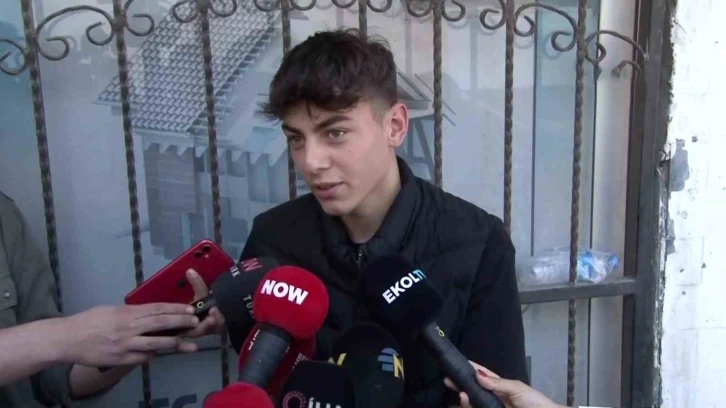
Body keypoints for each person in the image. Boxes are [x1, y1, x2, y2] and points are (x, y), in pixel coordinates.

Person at [233, 28, 528, 407]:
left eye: (335, 133)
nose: (311, 162)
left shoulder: (478, 242)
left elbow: (500, 391)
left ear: (395, 126)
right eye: (296, 139)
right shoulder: (272, 239)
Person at [0, 190, 225, 406]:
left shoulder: (5, 216)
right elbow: (58, 343)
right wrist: (65, 336)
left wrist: (153, 327)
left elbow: (51, 380)